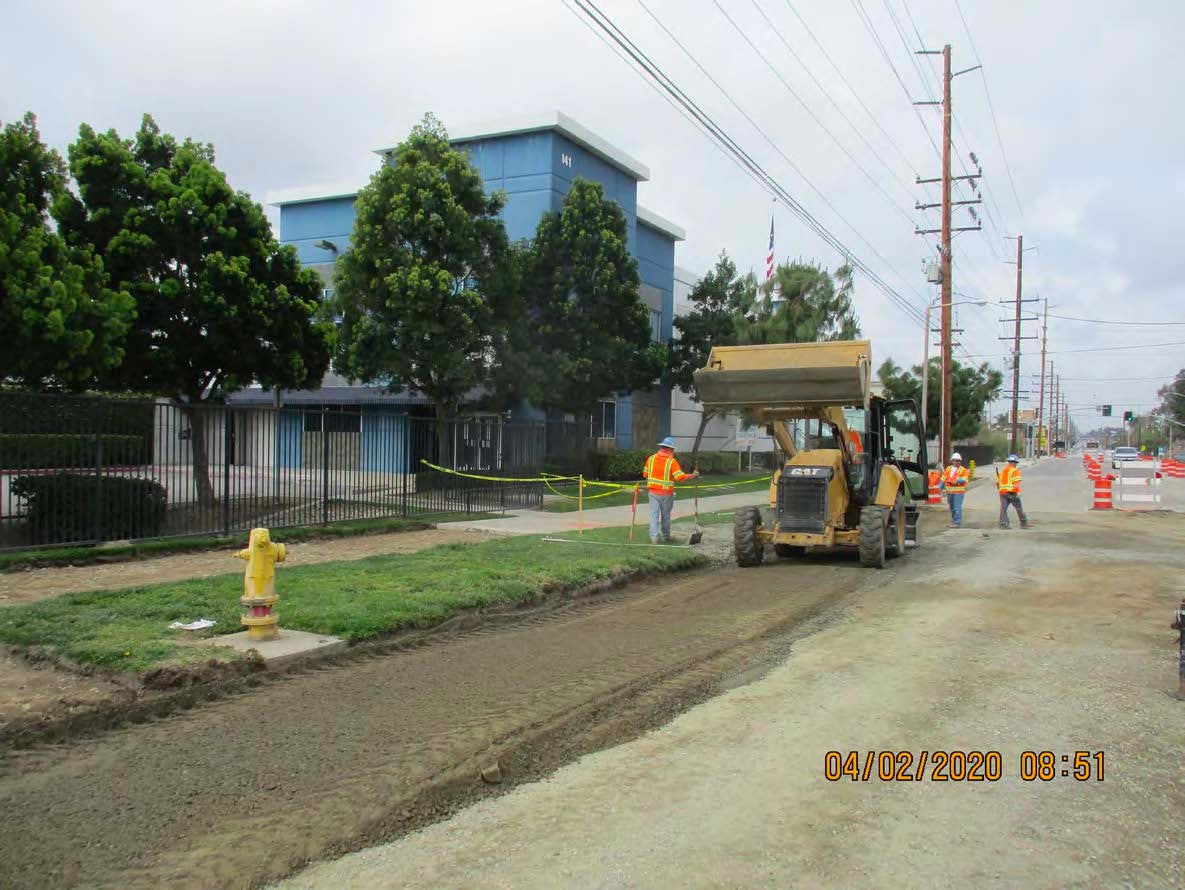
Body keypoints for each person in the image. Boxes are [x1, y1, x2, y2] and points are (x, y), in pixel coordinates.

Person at [642, 436, 700, 544]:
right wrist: (692, 475)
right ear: (670, 449)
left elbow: (645, 474)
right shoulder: (672, 462)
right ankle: (666, 537)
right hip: (666, 494)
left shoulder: (651, 459)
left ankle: (654, 539)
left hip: (653, 492)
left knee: (653, 516)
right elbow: (679, 477)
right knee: (666, 516)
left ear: (662, 447)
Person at [997, 453, 1030, 529]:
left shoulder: (1003, 471)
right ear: (1014, 462)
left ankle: (1003, 524)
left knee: (1003, 509)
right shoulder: (1014, 471)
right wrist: (1018, 492)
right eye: (1016, 463)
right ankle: (1023, 523)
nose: (1016, 464)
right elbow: (1016, 484)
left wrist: (1001, 490)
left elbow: (997, 482)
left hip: (1002, 493)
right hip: (1011, 493)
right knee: (1019, 508)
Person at [941, 452, 970, 528]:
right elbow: (943, 478)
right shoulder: (948, 468)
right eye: (956, 460)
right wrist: (940, 487)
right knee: (952, 507)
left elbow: (965, 479)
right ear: (952, 461)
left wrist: (956, 481)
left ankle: (957, 522)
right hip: (950, 492)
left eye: (959, 461)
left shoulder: (963, 470)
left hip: (958, 492)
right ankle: (954, 521)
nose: (957, 462)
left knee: (957, 507)